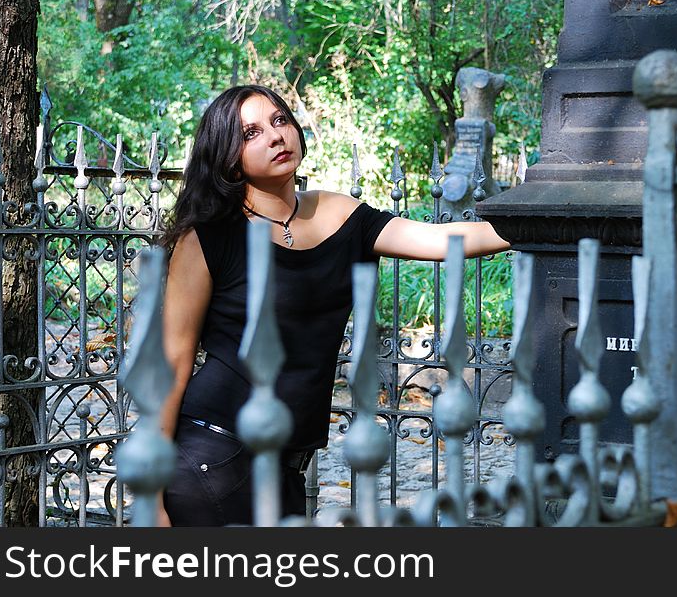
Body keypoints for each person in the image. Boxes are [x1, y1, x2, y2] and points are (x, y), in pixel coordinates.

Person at [157, 85, 510, 526]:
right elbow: (172, 362)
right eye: (250, 133)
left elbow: (440, 240)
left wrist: (538, 221)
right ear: (227, 156)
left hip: (284, 466)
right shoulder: (207, 238)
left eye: (280, 120)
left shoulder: (338, 213)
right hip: (212, 455)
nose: (274, 136)